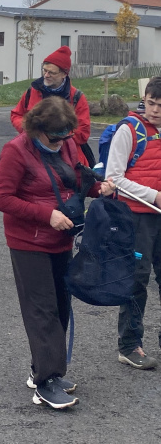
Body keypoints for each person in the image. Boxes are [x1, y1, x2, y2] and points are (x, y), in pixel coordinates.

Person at [0, 97, 114, 409]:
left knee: (60, 305)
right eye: (55, 137)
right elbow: (1, 198)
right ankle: (45, 383)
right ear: (37, 129)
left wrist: (99, 189)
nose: (61, 143)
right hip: (28, 241)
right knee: (41, 309)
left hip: (62, 237)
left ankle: (47, 371)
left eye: (66, 136)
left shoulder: (68, 144)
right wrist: (46, 215)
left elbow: (75, 179)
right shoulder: (15, 151)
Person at [105, 75, 161, 370]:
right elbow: (113, 179)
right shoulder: (130, 130)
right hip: (136, 218)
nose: (155, 110)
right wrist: (155, 196)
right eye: (151, 103)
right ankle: (130, 345)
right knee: (137, 280)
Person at [10, 46, 93, 166]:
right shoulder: (32, 91)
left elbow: (82, 133)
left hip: (67, 159)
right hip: (33, 153)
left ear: (64, 74)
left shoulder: (76, 97)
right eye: (44, 70)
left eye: (51, 72)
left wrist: (53, 138)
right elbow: (16, 115)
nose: (46, 75)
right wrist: (28, 128)